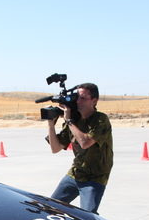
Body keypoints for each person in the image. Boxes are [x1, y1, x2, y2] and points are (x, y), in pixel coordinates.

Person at [45, 83, 114, 213]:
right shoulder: (74, 120)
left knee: (88, 217)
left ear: (94, 101)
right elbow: (55, 148)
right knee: (51, 208)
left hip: (94, 177)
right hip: (75, 174)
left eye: (83, 98)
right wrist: (51, 125)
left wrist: (69, 120)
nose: (78, 101)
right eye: (77, 98)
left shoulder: (100, 120)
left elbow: (85, 142)